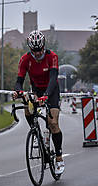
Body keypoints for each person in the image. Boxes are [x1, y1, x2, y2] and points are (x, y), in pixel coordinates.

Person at [13, 30, 64, 175]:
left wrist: (46, 96)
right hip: (36, 90)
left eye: (39, 50)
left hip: (51, 90)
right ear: (30, 49)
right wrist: (18, 91)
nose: (36, 53)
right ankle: (35, 132)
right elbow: (19, 81)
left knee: (53, 123)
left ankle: (59, 157)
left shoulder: (52, 56)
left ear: (43, 47)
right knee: (27, 109)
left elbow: (54, 78)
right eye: (33, 50)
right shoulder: (25, 59)